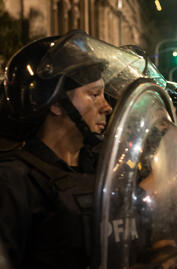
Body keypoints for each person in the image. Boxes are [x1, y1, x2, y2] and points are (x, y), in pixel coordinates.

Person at [0, 34, 112, 269]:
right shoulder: (14, 181)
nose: (106, 106)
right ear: (56, 103)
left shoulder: (103, 168)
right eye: (94, 94)